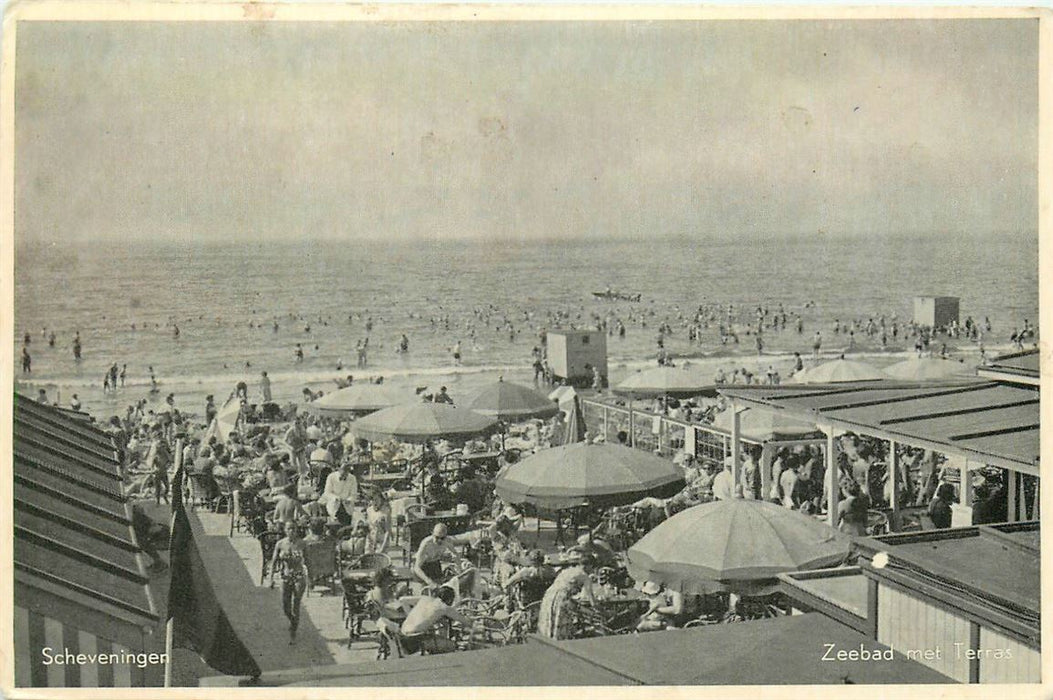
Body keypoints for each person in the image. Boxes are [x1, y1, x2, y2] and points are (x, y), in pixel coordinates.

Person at [537, 554, 597, 640]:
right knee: (561, 627)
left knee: (548, 624)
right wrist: (601, 611)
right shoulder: (584, 576)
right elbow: (591, 600)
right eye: (592, 568)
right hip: (561, 599)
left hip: (548, 597)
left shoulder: (567, 570)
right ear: (590, 565)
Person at [400, 586, 474, 654]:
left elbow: (402, 600)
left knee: (433, 637)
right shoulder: (444, 607)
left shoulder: (425, 598)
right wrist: (472, 619)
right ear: (450, 599)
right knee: (451, 645)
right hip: (416, 638)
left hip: (403, 634)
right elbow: (465, 622)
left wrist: (411, 616)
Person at [269, 521, 309, 643]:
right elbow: (274, 561)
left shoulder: (302, 544)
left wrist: (311, 578)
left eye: (294, 529)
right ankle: (292, 620)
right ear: (285, 530)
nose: (292, 531)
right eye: (289, 529)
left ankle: (293, 632)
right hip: (285, 576)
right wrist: (271, 578)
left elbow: (309, 562)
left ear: (297, 530)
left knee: (296, 603)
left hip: (299, 576)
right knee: (285, 606)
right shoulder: (280, 544)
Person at [413, 523, 462, 588]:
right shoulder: (426, 544)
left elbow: (456, 554)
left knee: (441, 588)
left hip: (435, 564)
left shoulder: (447, 541)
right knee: (425, 590)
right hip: (422, 566)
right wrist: (429, 582)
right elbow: (416, 568)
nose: (439, 540)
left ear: (446, 536)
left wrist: (459, 571)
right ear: (432, 534)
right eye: (437, 537)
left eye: (442, 538)